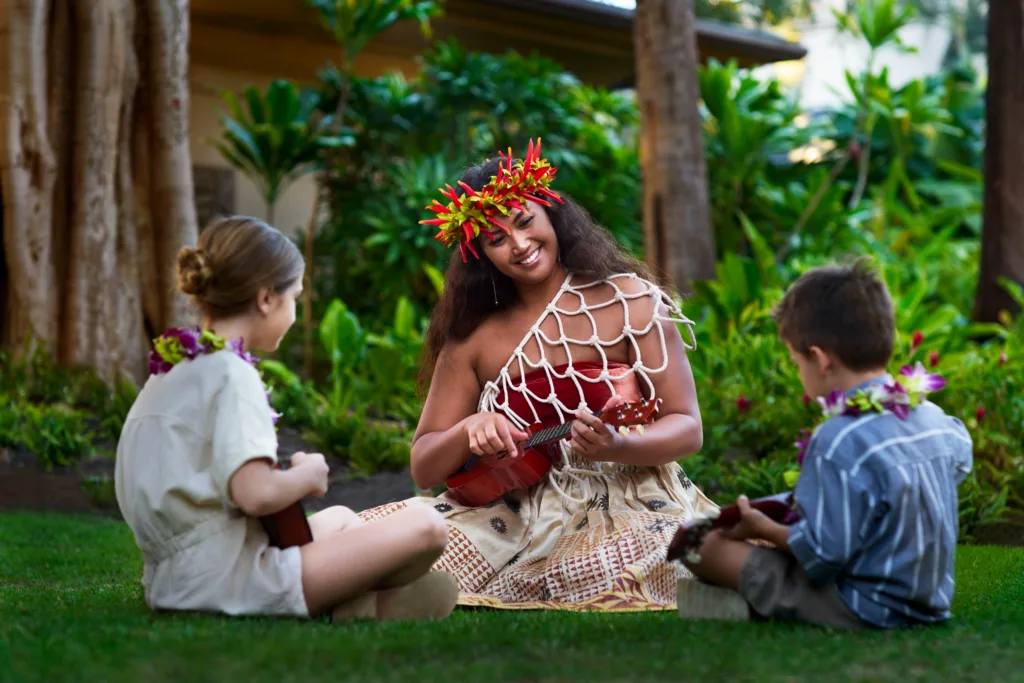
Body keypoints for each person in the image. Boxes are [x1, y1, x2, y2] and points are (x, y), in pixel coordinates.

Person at [358, 139, 719, 611]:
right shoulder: (472, 337)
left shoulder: (630, 300)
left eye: (525, 221)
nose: (519, 244)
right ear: (479, 253)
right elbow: (424, 467)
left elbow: (687, 428)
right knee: (385, 543)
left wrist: (618, 446)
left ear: (551, 213)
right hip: (508, 506)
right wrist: (469, 429)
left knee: (606, 566)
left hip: (623, 494)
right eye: (496, 239)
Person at [114, 216, 458, 622]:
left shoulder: (174, 367)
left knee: (342, 519)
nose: (295, 312)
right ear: (265, 299)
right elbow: (255, 494)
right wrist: (307, 476)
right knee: (427, 525)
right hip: (230, 579)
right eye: (294, 297)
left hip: (173, 577)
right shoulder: (232, 374)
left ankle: (356, 601)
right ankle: (361, 604)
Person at [678, 259, 974, 629]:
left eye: (796, 362)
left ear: (820, 359)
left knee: (702, 547)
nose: (799, 372)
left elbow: (822, 557)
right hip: (930, 601)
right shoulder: (934, 418)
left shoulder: (837, 438)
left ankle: (753, 603)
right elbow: (959, 462)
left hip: (860, 605)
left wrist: (762, 529)